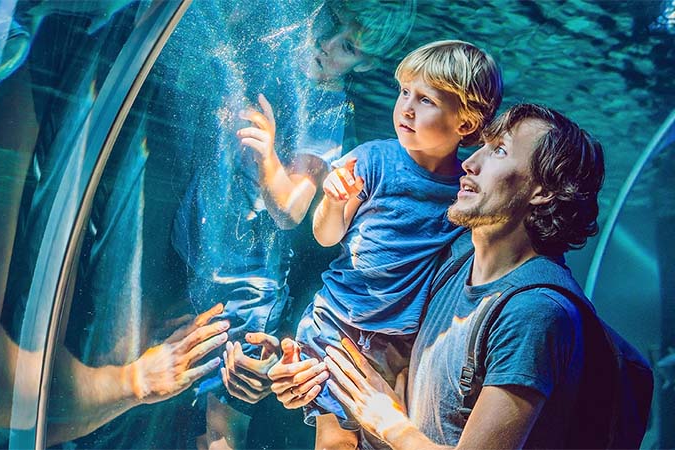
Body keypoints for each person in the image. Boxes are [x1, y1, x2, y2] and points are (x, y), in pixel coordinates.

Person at [173, 1, 415, 449]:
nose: (325, 44)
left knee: (221, 428)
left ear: (366, 64)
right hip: (205, 257)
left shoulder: (325, 110)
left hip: (246, 286)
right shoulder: (281, 63)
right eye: (331, 23)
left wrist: (267, 156)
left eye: (345, 46)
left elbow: (289, 209)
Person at [296, 103, 605, 449]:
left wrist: (390, 425)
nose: (471, 163)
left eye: (499, 151)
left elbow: (389, 417)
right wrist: (304, 374)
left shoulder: (534, 311)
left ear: (544, 190)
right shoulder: (453, 260)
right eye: (484, 146)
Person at [279, 39, 502, 450]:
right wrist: (333, 199)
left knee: (381, 437)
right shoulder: (371, 160)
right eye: (404, 93)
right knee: (335, 442)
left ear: (466, 124)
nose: (407, 108)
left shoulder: (466, 189)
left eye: (426, 99)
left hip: (401, 339)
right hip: (338, 319)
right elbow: (326, 236)